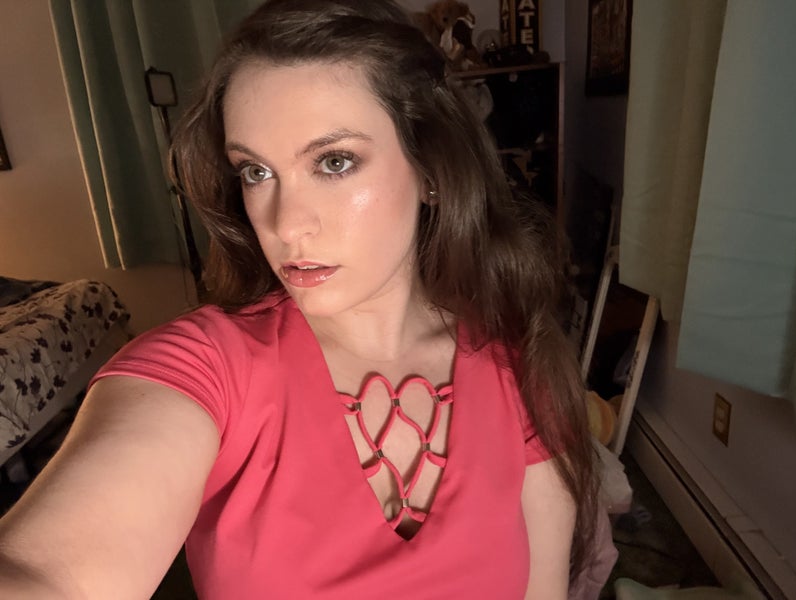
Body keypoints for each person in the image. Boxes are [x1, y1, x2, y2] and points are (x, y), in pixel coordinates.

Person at [0, 0, 601, 597]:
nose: (285, 224)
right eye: (256, 172)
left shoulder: (519, 364)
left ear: (432, 171)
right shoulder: (205, 366)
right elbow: (49, 574)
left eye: (334, 162)